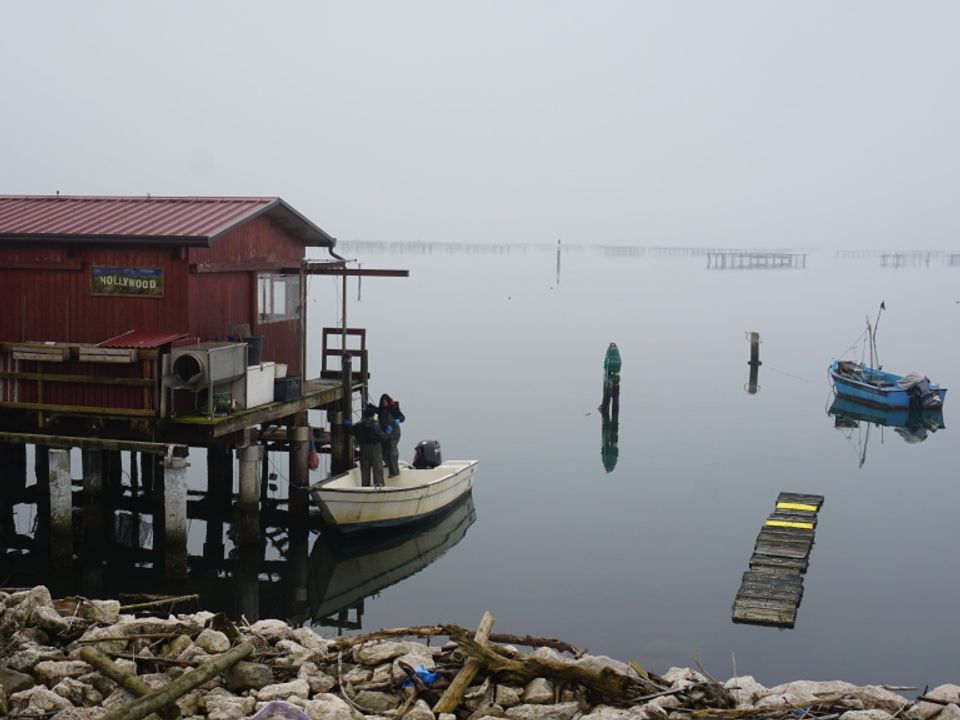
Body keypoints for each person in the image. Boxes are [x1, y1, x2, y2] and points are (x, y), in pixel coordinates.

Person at [352, 405, 389, 487]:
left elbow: (351, 431)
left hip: (363, 449)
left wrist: (347, 424)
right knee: (377, 468)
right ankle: (379, 485)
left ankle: (365, 487)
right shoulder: (375, 425)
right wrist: (387, 434)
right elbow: (383, 437)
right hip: (374, 448)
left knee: (365, 470)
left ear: (364, 416)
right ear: (372, 416)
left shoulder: (358, 425)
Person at [377, 393, 406, 477]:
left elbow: (402, 417)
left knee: (392, 451)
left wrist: (398, 420)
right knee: (383, 450)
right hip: (385, 433)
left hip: (394, 433)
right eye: (383, 402)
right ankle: (388, 464)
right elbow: (377, 410)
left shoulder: (394, 408)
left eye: (385, 401)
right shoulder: (382, 409)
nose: (384, 403)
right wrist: (369, 405)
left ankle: (394, 472)